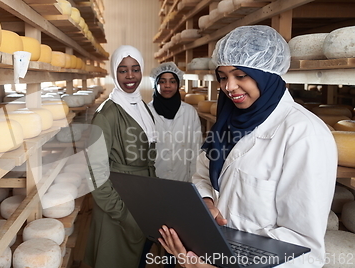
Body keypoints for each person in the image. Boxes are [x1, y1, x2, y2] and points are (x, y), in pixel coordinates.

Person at [158, 25, 337, 268]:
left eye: (240, 75)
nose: (229, 87)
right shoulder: (226, 123)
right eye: (222, 77)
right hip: (215, 251)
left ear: (267, 74)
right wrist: (208, 204)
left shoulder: (304, 134)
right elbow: (202, 176)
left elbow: (303, 249)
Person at [84, 45, 157, 268]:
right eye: (123, 70)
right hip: (118, 206)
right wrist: (124, 214)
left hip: (142, 200)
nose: (130, 76)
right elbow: (96, 174)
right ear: (114, 72)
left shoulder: (141, 106)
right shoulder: (106, 114)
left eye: (135, 69)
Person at [148, 62, 202, 182]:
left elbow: (196, 149)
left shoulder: (189, 112)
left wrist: (194, 180)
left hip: (182, 178)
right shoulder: (146, 112)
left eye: (172, 81)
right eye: (162, 81)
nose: (168, 85)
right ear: (155, 84)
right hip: (154, 179)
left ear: (178, 85)